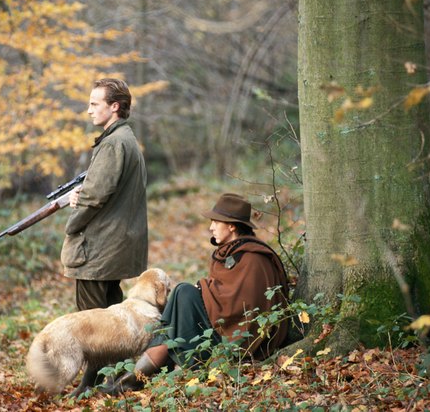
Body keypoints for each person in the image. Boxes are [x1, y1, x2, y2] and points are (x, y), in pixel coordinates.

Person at [103, 193, 290, 394]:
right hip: (219, 326)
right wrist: (205, 289)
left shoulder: (254, 259)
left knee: (182, 294)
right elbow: (224, 292)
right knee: (178, 307)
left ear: (231, 225)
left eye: (215, 222)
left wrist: (203, 288)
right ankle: (126, 383)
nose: (211, 227)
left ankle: (127, 383)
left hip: (237, 340)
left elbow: (241, 307)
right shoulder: (232, 251)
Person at [61, 78, 148, 312]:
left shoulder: (113, 143)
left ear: (114, 106)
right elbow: (104, 190)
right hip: (114, 247)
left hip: (100, 249)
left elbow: (94, 197)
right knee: (113, 325)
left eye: (94, 104)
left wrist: (72, 226)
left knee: (92, 326)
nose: (89, 110)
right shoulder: (126, 139)